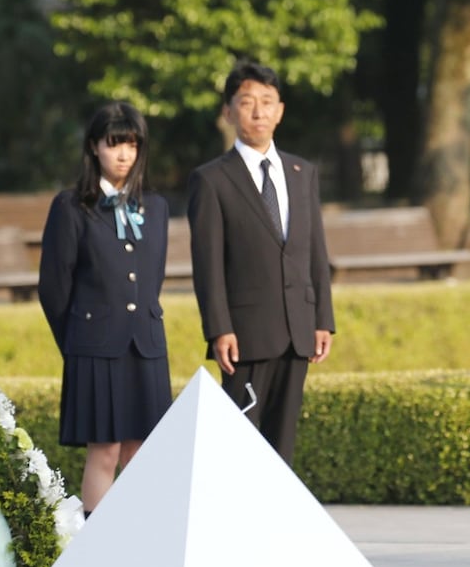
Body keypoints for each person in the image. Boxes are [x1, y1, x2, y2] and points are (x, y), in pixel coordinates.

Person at [186, 60, 335, 466]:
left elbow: (315, 252)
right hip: (245, 337)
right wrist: (219, 328)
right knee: (240, 446)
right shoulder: (212, 180)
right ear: (229, 112)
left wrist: (323, 317)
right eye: (247, 102)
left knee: (282, 446)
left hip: (298, 330)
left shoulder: (303, 173)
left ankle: (275, 526)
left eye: (267, 102)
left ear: (280, 110)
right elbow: (208, 263)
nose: (258, 112)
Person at [38, 101, 172, 516]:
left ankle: (139, 538)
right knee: (105, 450)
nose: (123, 154)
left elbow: (154, 276)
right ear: (94, 147)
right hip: (94, 347)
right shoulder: (71, 207)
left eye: (131, 144)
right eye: (114, 144)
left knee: (141, 450)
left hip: (145, 346)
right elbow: (54, 289)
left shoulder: (156, 207)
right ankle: (98, 546)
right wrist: (79, 342)